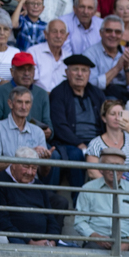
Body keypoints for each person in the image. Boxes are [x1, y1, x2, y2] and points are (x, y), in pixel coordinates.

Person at [75, 147, 129, 248]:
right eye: (109, 165)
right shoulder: (88, 189)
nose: (114, 170)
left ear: (124, 168)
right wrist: (96, 237)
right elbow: (80, 221)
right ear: (101, 168)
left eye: (118, 165)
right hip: (96, 241)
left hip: (127, 240)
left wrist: (128, 242)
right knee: (91, 250)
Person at [49, 53, 105, 187]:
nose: (80, 74)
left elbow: (105, 119)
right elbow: (59, 125)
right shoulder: (58, 93)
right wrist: (79, 144)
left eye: (84, 70)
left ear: (89, 74)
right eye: (75, 70)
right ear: (67, 72)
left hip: (96, 141)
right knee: (76, 154)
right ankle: (78, 199)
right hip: (70, 143)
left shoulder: (97, 93)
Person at [0, 146, 60, 245]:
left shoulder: (38, 185)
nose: (29, 172)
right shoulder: (0, 181)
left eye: (34, 168)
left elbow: (51, 217)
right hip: (16, 239)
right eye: (25, 166)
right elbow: (3, 221)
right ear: (14, 164)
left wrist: (52, 241)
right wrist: (30, 242)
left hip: (43, 241)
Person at [85, 98, 129, 184]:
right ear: (104, 118)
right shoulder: (95, 143)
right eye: (112, 114)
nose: (116, 118)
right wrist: (115, 188)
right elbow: (92, 172)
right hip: (107, 191)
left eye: (120, 114)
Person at [0, 53, 51, 132]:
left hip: (36, 140)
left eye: (30, 69)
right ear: (12, 71)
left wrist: (49, 131)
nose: (26, 73)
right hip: (8, 139)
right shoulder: (0, 92)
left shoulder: (42, 94)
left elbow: (48, 123)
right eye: (22, 69)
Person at [30, 18, 70, 93]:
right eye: (54, 32)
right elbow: (30, 82)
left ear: (66, 36)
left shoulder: (69, 58)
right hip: (38, 98)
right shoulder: (33, 52)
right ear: (46, 34)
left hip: (61, 101)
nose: (58, 36)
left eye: (62, 32)